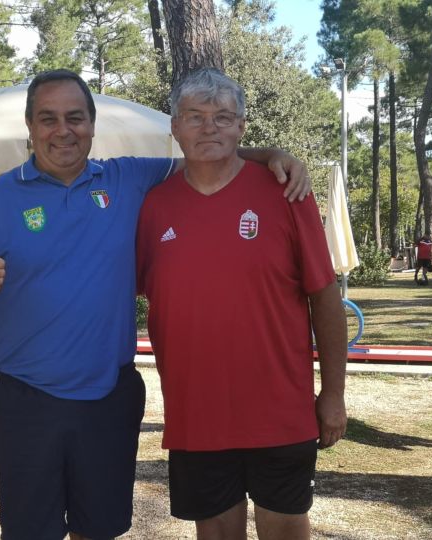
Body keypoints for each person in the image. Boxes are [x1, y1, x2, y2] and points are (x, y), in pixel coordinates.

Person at [0, 68, 311, 540]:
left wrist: (272, 155)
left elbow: (206, 152)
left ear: (92, 124)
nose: (63, 130)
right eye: (48, 119)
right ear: (29, 125)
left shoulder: (127, 176)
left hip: (109, 399)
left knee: (99, 530)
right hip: (27, 399)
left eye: (75, 117)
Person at [136, 68, 348, 540]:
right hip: (196, 414)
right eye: (195, 116)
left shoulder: (287, 193)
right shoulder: (152, 206)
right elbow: (109, 289)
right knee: (215, 532)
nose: (209, 127)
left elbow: (324, 296)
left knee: (286, 529)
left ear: (241, 127)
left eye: (223, 117)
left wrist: (333, 393)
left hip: (280, 411)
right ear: (175, 126)